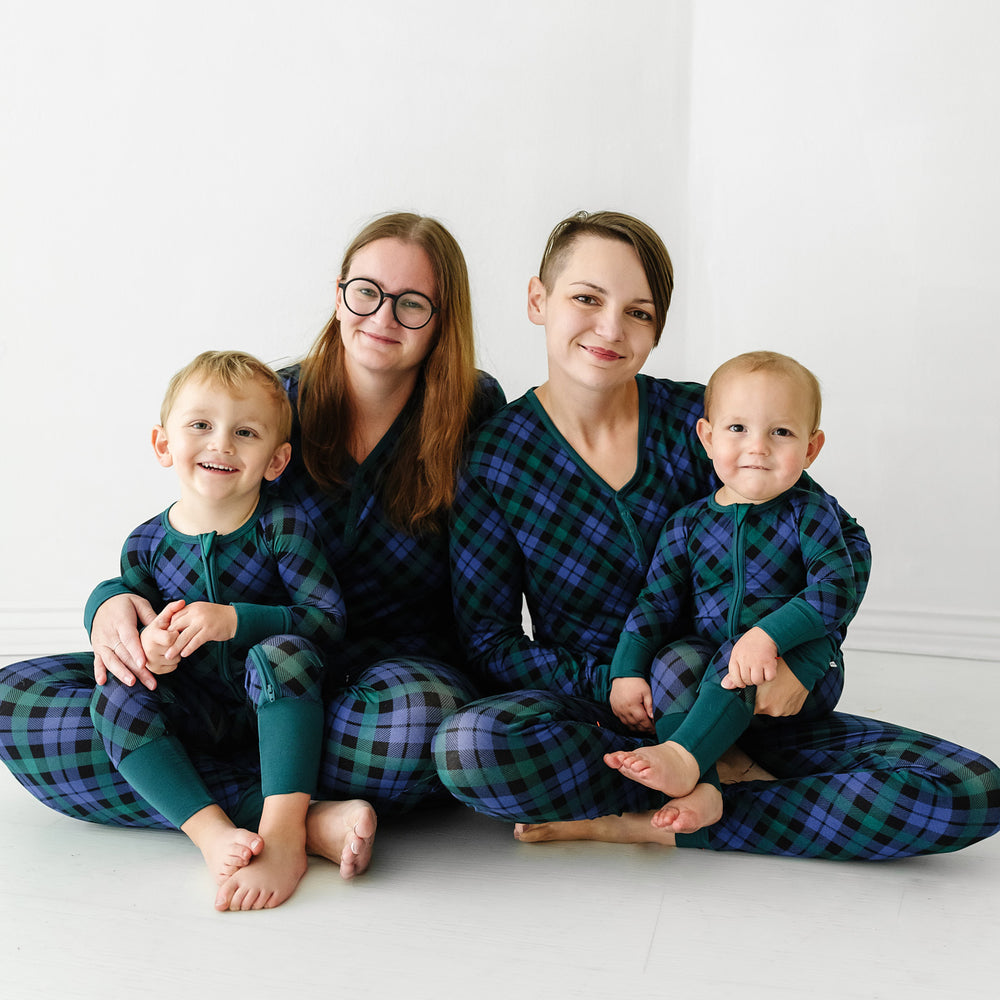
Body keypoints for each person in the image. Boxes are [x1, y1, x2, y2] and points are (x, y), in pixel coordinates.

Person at [434, 210, 1000, 859]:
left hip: (755, 700)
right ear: (539, 300)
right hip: (609, 716)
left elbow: (842, 544)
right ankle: (711, 789)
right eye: (587, 299)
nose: (610, 328)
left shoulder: (705, 419)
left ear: (657, 329)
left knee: (969, 790)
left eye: (639, 312)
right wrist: (625, 688)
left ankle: (674, 810)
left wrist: (791, 657)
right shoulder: (497, 457)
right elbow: (491, 641)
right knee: (471, 746)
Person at [0, 213, 505, 908]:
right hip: (220, 677)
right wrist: (110, 600)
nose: (383, 316)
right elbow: (179, 532)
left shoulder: (471, 408)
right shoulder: (272, 400)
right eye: (366, 291)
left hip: (368, 686)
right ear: (338, 294)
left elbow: (490, 577)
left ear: (442, 319)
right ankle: (298, 816)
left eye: (412, 303)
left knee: (423, 724)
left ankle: (204, 785)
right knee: (15, 702)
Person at [89, 350, 346, 910]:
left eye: (245, 432)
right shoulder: (147, 544)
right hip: (194, 713)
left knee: (285, 654)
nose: (221, 444)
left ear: (275, 461)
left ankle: (283, 831)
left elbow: (326, 620)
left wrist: (235, 620)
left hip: (275, 710)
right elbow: (131, 615)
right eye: (201, 425)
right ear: (164, 444)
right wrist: (150, 646)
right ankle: (210, 833)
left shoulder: (283, 526)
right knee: (115, 694)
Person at [604, 350, 857, 834]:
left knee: (731, 657)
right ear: (707, 437)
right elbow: (655, 603)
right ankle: (705, 791)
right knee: (674, 660)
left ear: (811, 448)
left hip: (798, 670)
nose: (757, 447)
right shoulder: (687, 524)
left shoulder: (811, 512)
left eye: (780, 432)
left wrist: (769, 636)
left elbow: (835, 589)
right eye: (738, 429)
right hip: (716, 662)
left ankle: (683, 758)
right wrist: (626, 670)